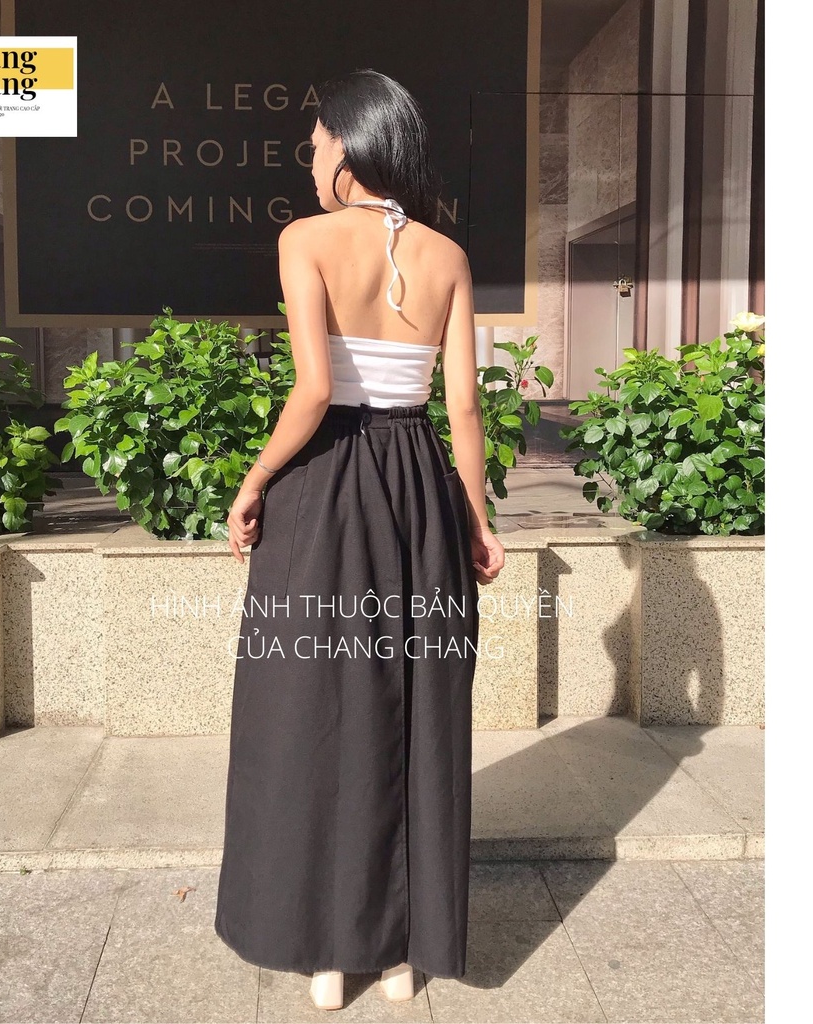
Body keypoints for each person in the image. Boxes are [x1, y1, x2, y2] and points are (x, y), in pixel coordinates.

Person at [215, 68, 506, 1011]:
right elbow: (463, 407)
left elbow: (313, 391)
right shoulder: (447, 255)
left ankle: (329, 955)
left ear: (347, 145)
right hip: (418, 488)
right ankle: (402, 955)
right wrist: (476, 518)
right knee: (418, 707)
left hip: (328, 489)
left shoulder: (305, 239)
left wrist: (253, 482)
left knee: (311, 707)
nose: (310, 161)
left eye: (314, 145)